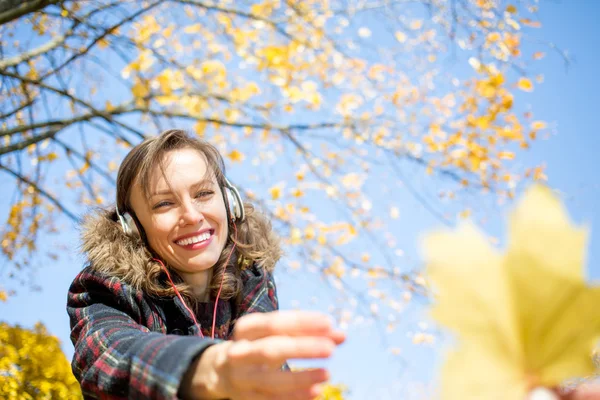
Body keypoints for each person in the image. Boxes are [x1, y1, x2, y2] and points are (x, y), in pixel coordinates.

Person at [67, 129, 345, 399]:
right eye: (164, 203)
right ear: (133, 228)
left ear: (230, 202)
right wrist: (207, 369)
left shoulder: (253, 278)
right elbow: (109, 356)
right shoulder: (100, 290)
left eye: (203, 194)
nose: (191, 215)